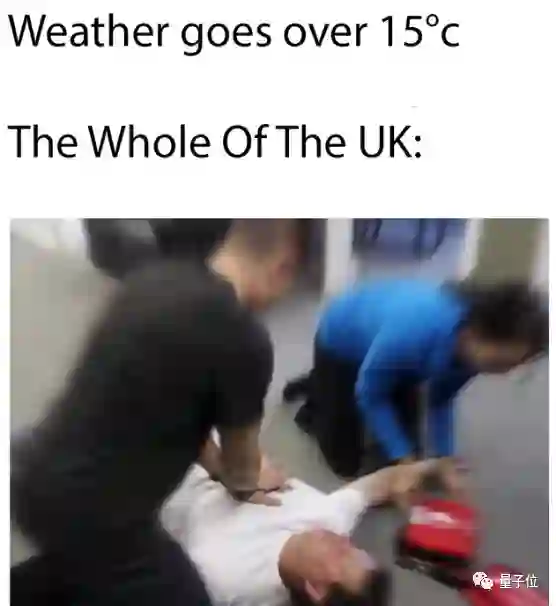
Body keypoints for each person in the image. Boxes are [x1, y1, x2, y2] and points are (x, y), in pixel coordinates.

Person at [11, 219, 306, 606]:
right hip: (98, 518)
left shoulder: (154, 278)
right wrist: (252, 477)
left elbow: (178, 410)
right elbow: (240, 472)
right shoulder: (245, 339)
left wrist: (220, 467)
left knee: (80, 573)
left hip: (34, 473)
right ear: (282, 267)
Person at [283, 279, 548, 501]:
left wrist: (445, 457)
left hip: (397, 354)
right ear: (475, 333)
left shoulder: (473, 351)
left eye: (513, 365)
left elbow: (441, 399)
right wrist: (404, 459)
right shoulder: (416, 331)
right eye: (500, 363)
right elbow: (372, 395)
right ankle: (316, 399)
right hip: (341, 342)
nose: (504, 372)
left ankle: (326, 385)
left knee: (410, 455)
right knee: (345, 463)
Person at [160, 445, 426, 606]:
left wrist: (232, 474)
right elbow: (384, 483)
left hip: (167, 466)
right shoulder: (327, 521)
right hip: (223, 434)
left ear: (316, 588)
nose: (344, 541)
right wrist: (432, 468)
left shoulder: (222, 579)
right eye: (354, 548)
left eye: (342, 557)